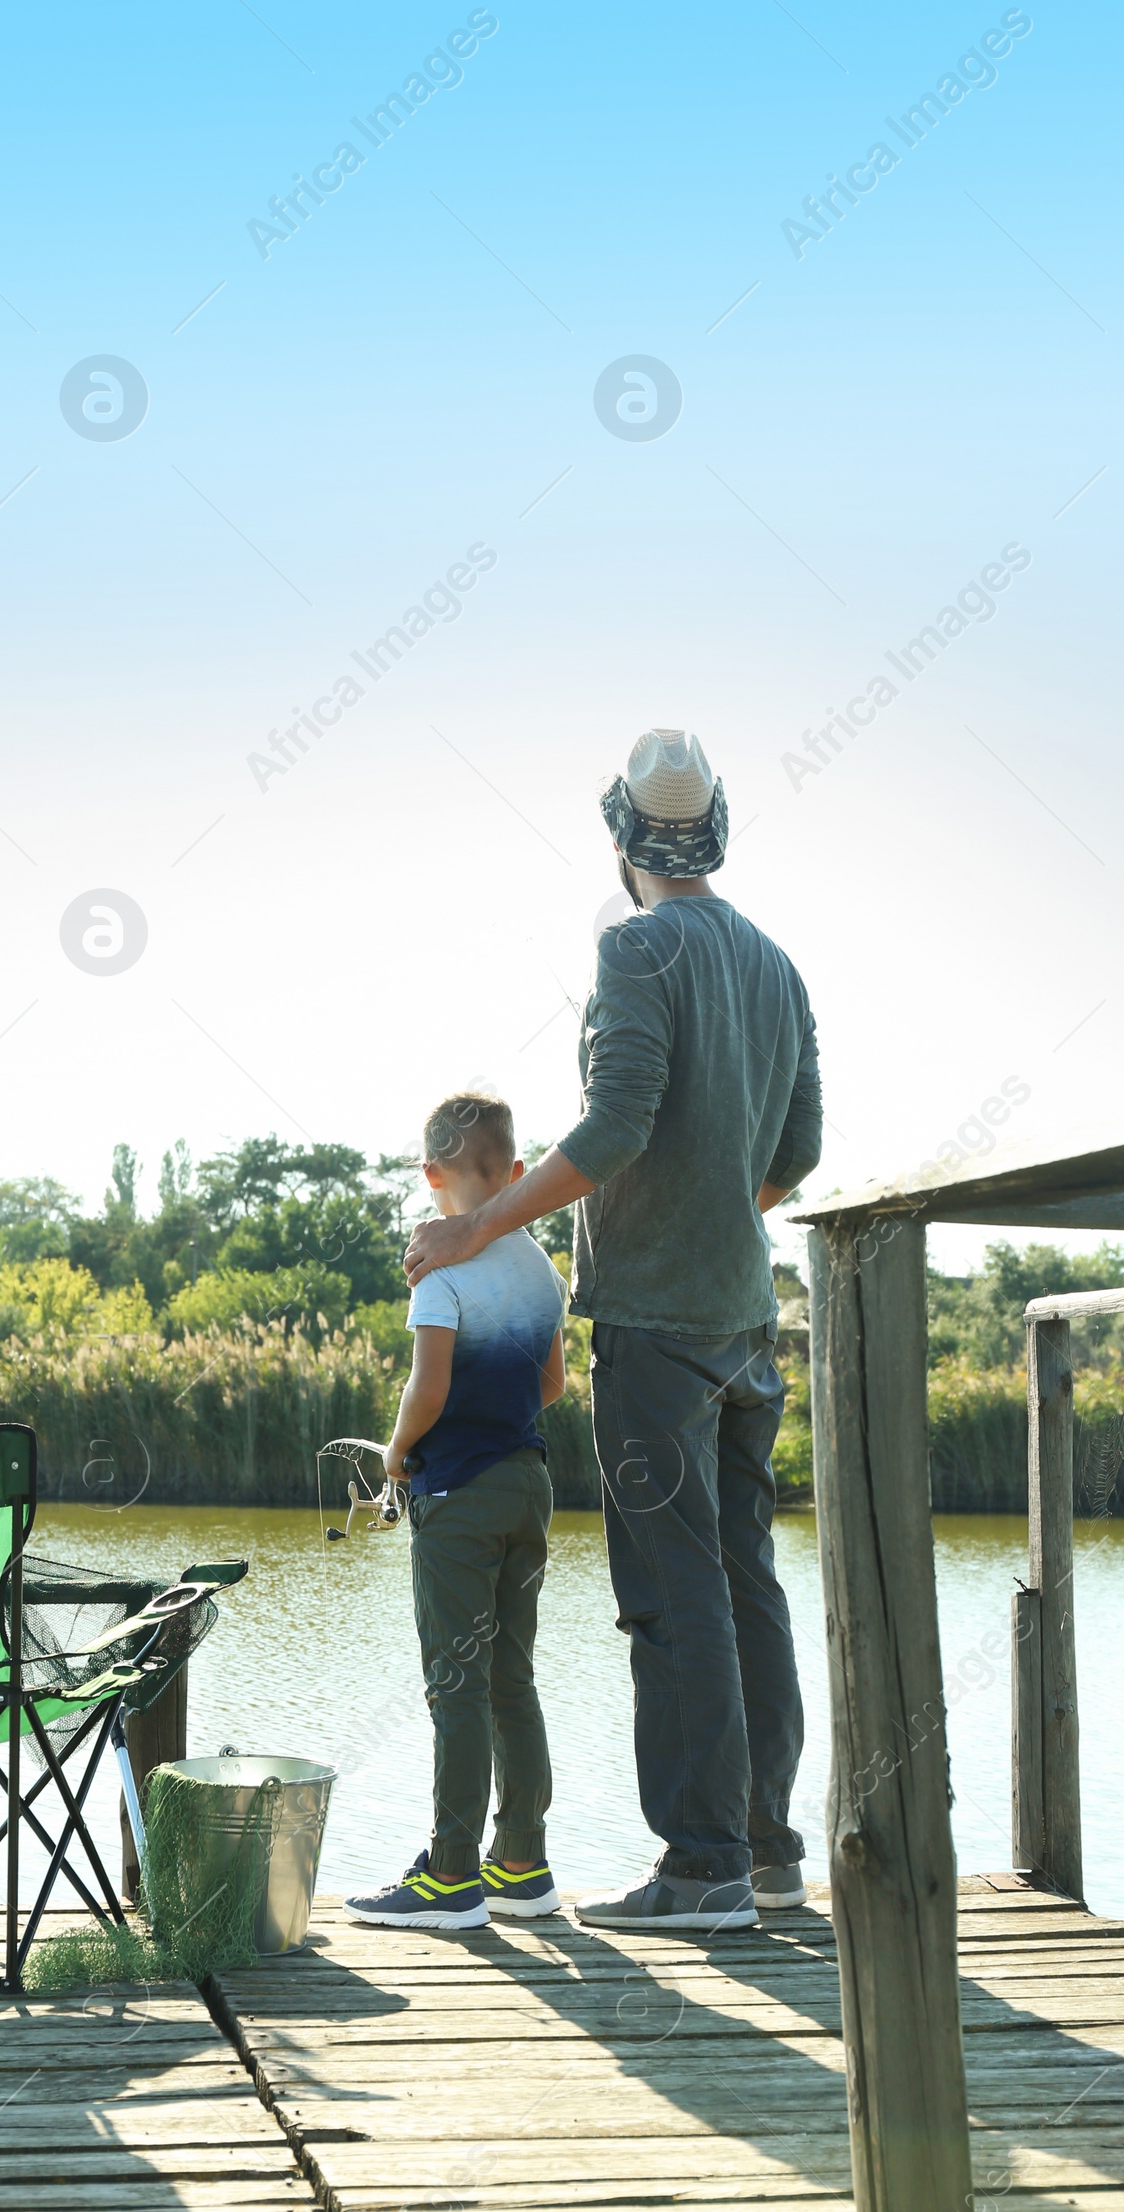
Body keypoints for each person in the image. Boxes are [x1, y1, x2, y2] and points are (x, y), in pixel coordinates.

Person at [404, 729, 822, 1932]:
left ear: (623, 837)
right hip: (748, 1324)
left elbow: (617, 1123)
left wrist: (476, 1232)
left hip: (654, 1328)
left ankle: (700, 1871)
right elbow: (792, 1156)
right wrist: (714, 1211)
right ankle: (767, 1850)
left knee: (668, 1591)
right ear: (717, 832)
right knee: (746, 1581)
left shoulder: (636, 949)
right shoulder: (776, 964)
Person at [344, 1091, 567, 1931]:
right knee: (512, 1677)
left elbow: (426, 1388)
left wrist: (397, 1454)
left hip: (458, 1499)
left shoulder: (439, 1268)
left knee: (455, 1686)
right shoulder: (541, 1267)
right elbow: (550, 1386)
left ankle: (450, 1876)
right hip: (528, 1485)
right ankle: (523, 1863)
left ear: (430, 1173)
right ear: (514, 1173)